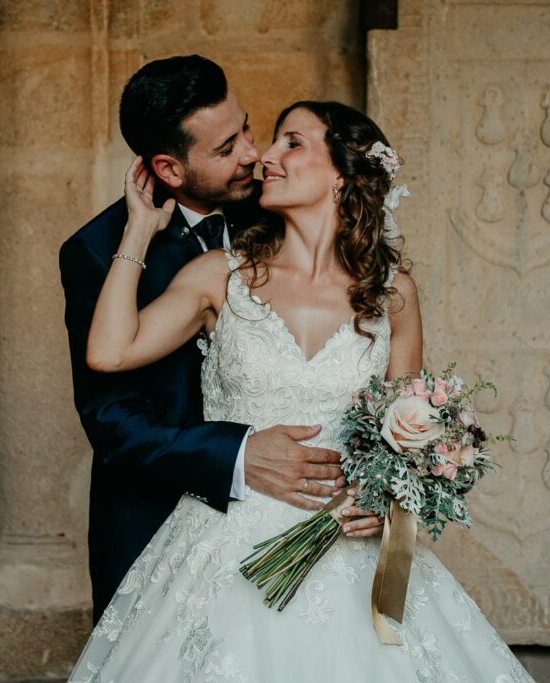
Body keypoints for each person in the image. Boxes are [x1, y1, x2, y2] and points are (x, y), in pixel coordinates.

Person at [67, 100, 533, 682]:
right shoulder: (221, 275)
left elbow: (408, 430)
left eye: (292, 143)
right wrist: (139, 227)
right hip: (222, 543)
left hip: (346, 544)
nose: (265, 156)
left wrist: (388, 503)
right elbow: (108, 352)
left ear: (341, 173)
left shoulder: (394, 294)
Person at [59, 55, 382, 625]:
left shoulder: (278, 203)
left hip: (321, 526)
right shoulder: (95, 249)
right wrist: (237, 454)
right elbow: (111, 416)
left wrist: (387, 490)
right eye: (226, 147)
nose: (255, 156)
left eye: (249, 130)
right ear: (170, 168)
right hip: (163, 525)